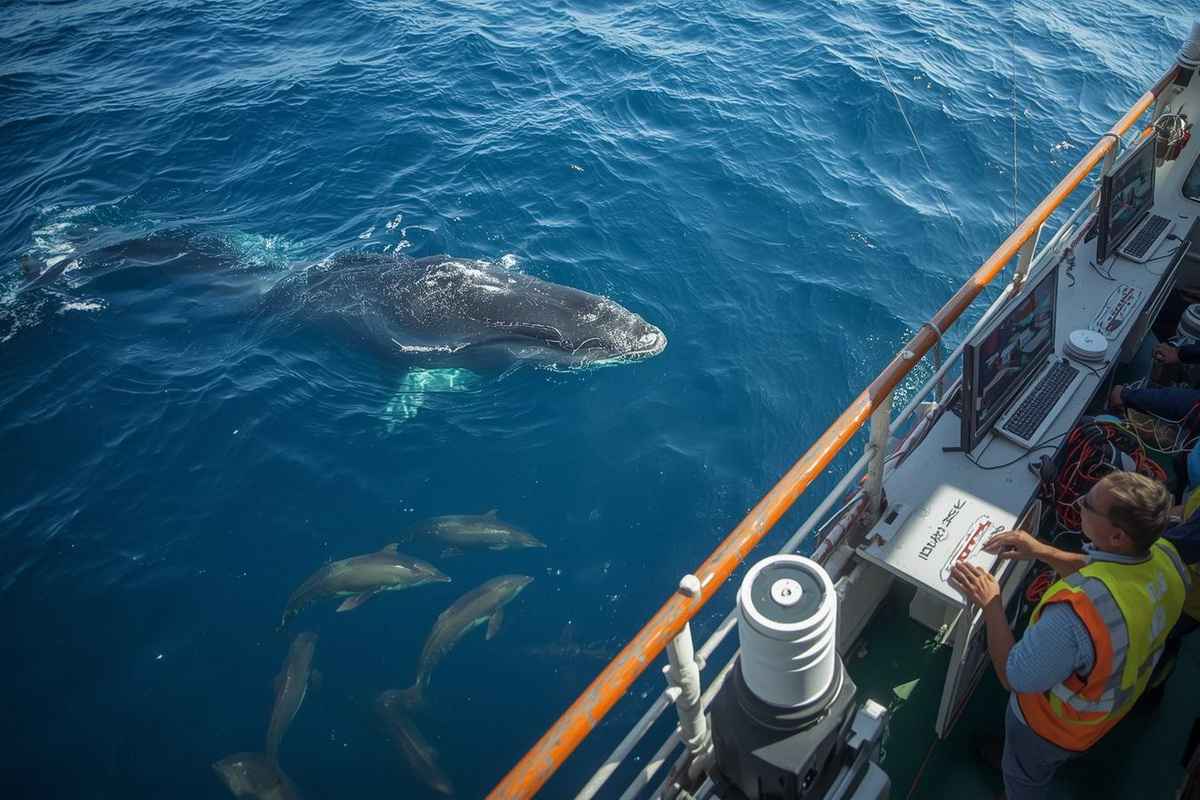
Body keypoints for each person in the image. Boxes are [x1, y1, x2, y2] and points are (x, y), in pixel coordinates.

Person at [950, 471, 1190, 800]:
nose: (1079, 504)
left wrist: (991, 601)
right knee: (1038, 759)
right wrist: (1042, 551)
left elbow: (1013, 674)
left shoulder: (1076, 615)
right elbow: (1110, 571)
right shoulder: (1165, 556)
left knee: (1025, 775)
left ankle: (1020, 779)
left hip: (1052, 728)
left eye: (1088, 506)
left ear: (1118, 536)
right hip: (1111, 707)